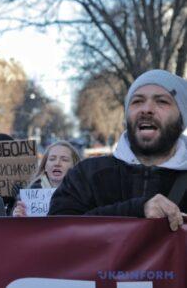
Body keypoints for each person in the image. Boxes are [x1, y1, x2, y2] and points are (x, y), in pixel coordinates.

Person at [48, 69, 187, 232]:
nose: (147, 109)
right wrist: (136, 210)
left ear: (181, 117)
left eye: (162, 101)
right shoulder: (86, 175)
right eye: (137, 101)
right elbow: (57, 233)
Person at [13, 141, 80, 217]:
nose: (57, 163)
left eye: (64, 159)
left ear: (75, 166)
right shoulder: (27, 198)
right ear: (45, 166)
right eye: (52, 159)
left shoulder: (85, 196)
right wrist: (18, 219)